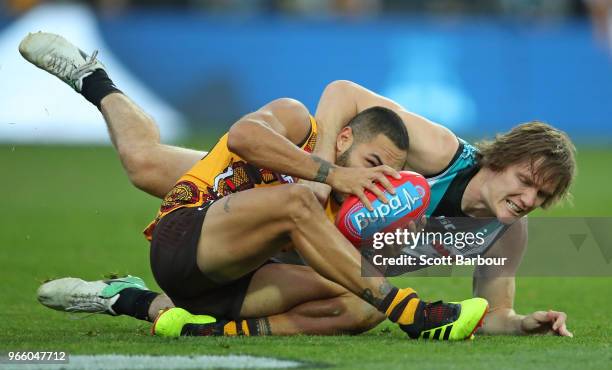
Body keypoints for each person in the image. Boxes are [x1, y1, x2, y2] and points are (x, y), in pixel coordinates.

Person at [24, 32, 575, 339]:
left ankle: (130, 299)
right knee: (144, 164)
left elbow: (494, 310)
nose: (528, 201)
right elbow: (341, 94)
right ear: (500, 158)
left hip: (303, 256)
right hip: (285, 191)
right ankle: (93, 79)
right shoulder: (441, 154)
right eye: (526, 181)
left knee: (360, 309)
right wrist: (322, 174)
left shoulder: (506, 235)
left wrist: (526, 323)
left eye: (541, 198)